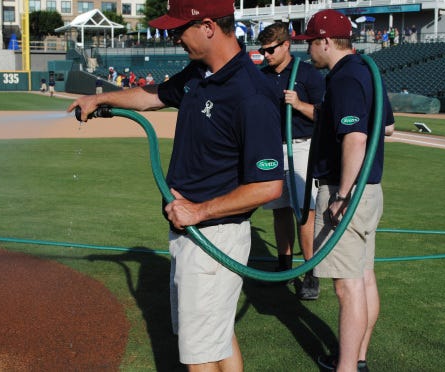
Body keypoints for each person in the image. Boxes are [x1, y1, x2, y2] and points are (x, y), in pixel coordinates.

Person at [68, 1, 285, 370]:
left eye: (178, 30)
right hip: (195, 230)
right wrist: (100, 97)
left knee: (199, 354)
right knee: (217, 338)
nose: (173, 37)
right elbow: (153, 96)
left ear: (207, 26)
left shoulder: (252, 94)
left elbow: (268, 187)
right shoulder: (200, 72)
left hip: (214, 235)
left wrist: (198, 211)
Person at [293, 9, 395, 372]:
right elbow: (388, 128)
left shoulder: (345, 77)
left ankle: (347, 367)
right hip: (369, 190)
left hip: (347, 190)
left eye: (310, 44)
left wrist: (341, 195)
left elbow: (356, 137)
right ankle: (358, 359)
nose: (308, 53)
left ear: (324, 41)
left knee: (346, 287)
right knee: (364, 278)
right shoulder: (367, 69)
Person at [257, 22, 325, 300]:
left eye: (271, 49)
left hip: (302, 147)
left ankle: (311, 273)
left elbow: (325, 116)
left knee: (305, 212)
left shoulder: (308, 75)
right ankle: (283, 266)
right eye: (262, 50)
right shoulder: (261, 76)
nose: (266, 55)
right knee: (279, 210)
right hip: (273, 150)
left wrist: (298, 105)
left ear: (286, 45)